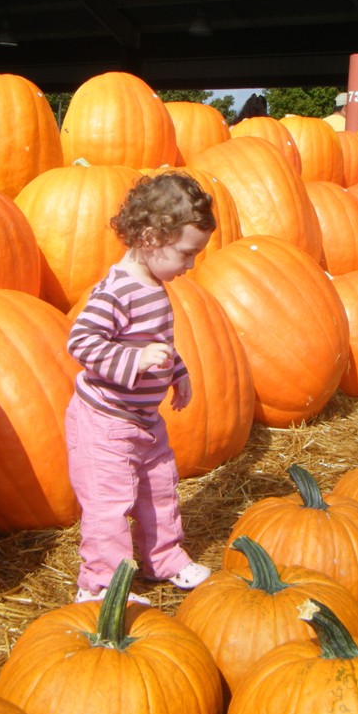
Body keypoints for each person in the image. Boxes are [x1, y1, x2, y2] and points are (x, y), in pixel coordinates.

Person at [66, 171, 216, 605]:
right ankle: (100, 586)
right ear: (151, 237)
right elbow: (82, 342)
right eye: (187, 254)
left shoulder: (155, 286)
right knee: (109, 505)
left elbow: (159, 343)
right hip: (105, 423)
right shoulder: (116, 290)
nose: (190, 265)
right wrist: (134, 360)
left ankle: (164, 558)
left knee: (160, 489)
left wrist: (177, 372)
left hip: (144, 420)